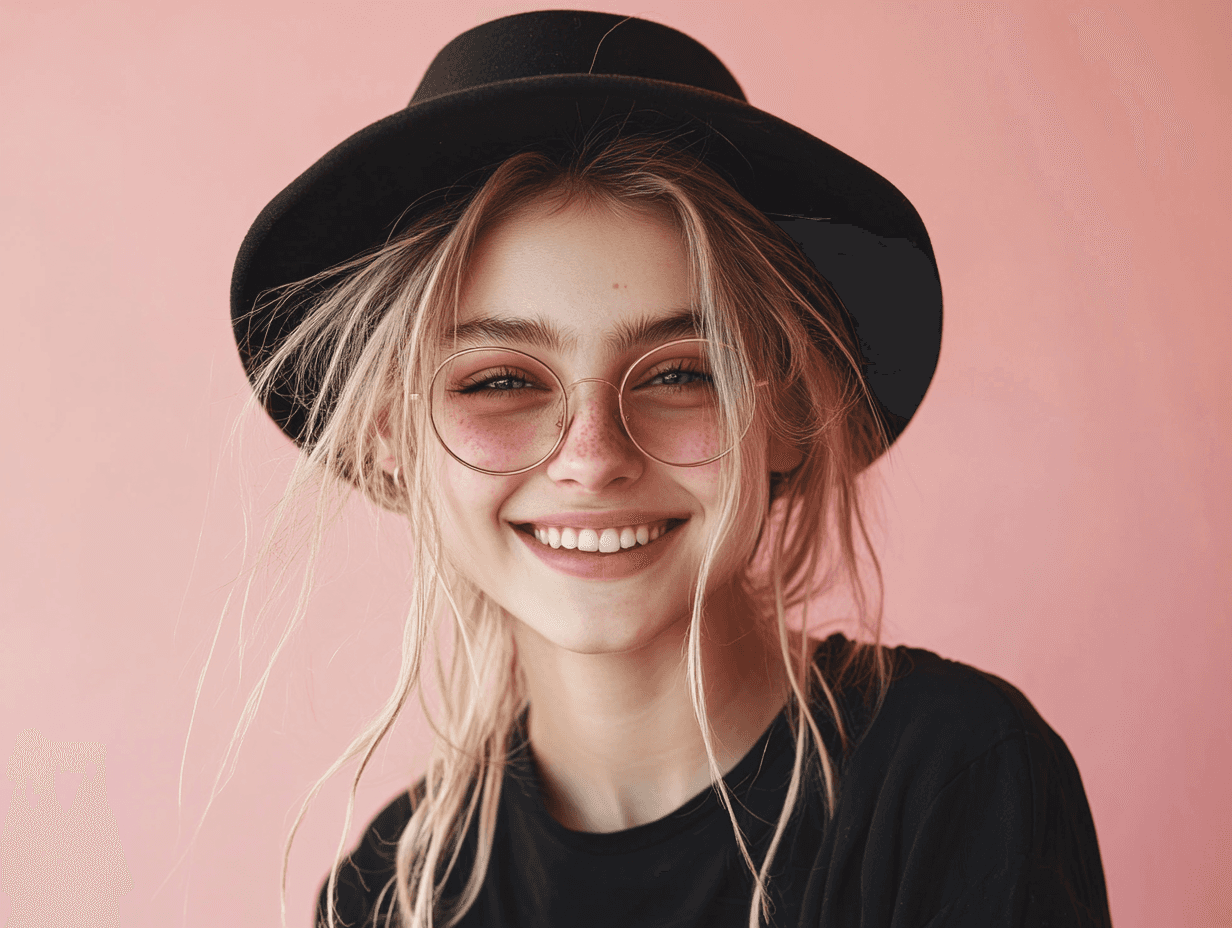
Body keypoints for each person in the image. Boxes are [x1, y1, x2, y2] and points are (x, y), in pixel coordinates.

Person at [230, 11, 1111, 928]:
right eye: (500, 382)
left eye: (683, 373)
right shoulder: (386, 898)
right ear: (389, 438)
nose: (593, 458)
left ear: (790, 417)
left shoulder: (952, 782)